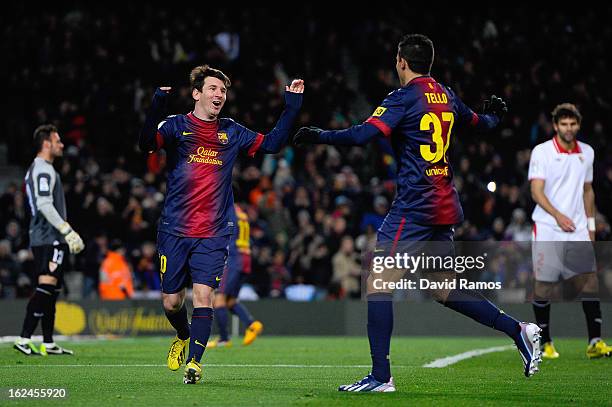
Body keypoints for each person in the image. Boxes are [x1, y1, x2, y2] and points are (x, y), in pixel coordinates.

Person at [293, 34, 541, 392]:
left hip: (414, 205)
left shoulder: (404, 97)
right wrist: (495, 117)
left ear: (402, 62)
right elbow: (478, 124)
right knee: (443, 289)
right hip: (442, 204)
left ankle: (381, 377)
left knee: (378, 284)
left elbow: (364, 135)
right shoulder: (446, 94)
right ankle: (517, 329)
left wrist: (319, 136)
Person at [139, 64, 303, 384]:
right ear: (197, 94)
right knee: (172, 303)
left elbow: (270, 144)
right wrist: (157, 103)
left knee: (204, 296)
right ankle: (183, 335)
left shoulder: (231, 131)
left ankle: (195, 364)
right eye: (213, 89)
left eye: (223, 91)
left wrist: (292, 105)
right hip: (174, 228)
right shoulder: (176, 126)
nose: (219, 95)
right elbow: (146, 143)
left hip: (213, 231)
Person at [529, 103, 612, 359]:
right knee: (544, 286)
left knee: (590, 281)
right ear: (555, 126)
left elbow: (588, 190)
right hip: (547, 227)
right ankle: (545, 343)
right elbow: (536, 191)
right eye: (563, 124)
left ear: (578, 125)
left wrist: (590, 225)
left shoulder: (586, 152)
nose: (568, 128)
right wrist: (558, 215)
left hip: (576, 228)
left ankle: (595, 343)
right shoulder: (542, 152)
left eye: (573, 124)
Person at [14, 125, 85, 356]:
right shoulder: (42, 169)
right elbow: (44, 203)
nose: (61, 145)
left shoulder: (45, 169)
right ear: (46, 144)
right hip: (48, 236)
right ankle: (24, 338)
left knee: (53, 289)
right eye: (57, 141)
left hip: (50, 236)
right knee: (46, 285)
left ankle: (47, 341)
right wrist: (66, 230)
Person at [207, 204, 263, 348]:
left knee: (218, 299)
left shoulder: (226, 211)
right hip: (245, 258)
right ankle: (252, 325)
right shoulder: (240, 212)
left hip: (234, 258)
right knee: (230, 301)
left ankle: (224, 339)